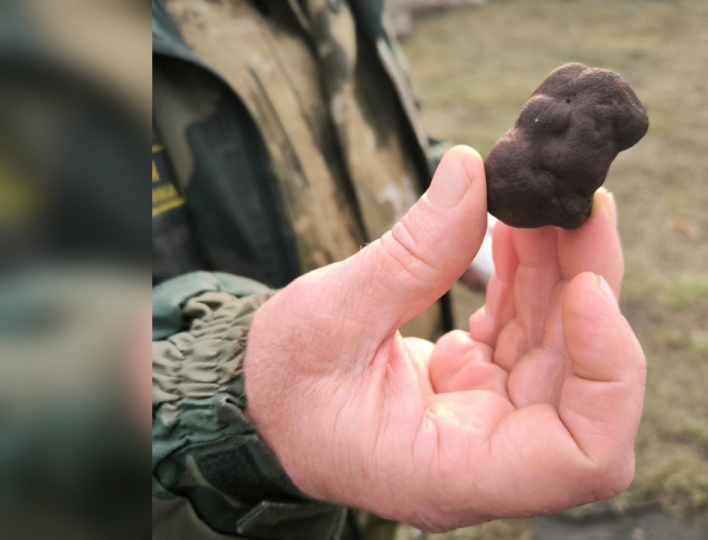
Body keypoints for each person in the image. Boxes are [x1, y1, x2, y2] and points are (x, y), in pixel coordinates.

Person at [151, 1, 647, 538]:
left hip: (422, 386)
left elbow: (375, 137)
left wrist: (457, 209)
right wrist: (231, 392)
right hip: (222, 484)